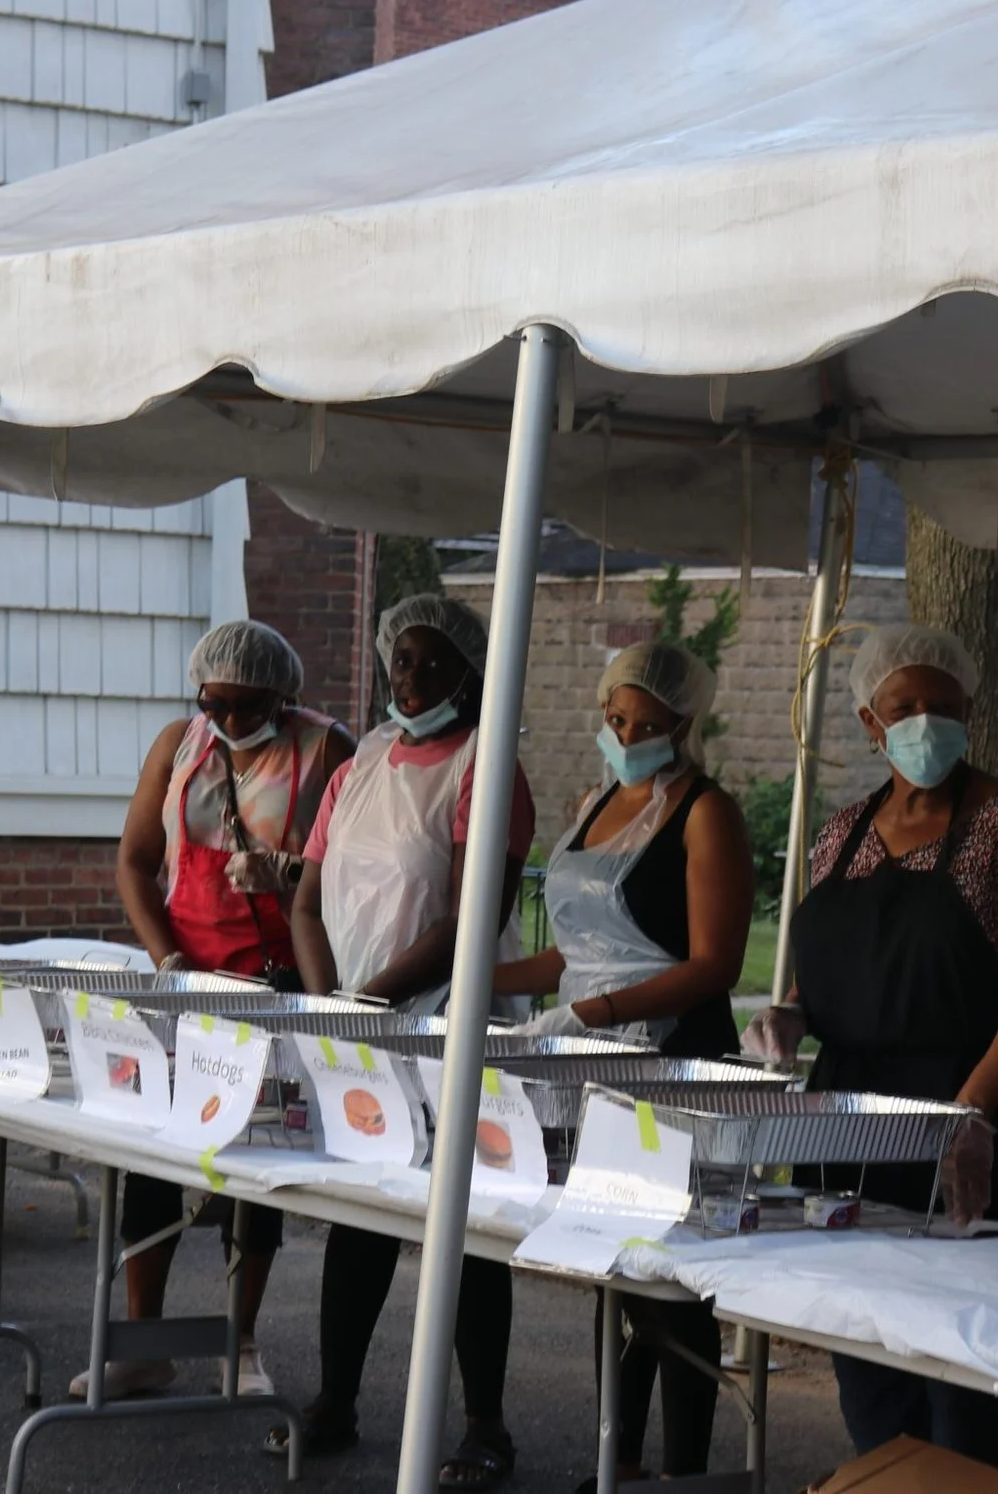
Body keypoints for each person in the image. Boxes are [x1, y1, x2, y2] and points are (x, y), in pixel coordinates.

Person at [740, 623, 998, 1465]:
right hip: (850, 1123)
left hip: (965, 1117)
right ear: (869, 721)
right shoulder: (840, 835)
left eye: (944, 706)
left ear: (970, 713)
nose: (927, 721)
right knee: (868, 1349)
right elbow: (831, 977)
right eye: (905, 706)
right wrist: (791, 1016)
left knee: (960, 1363)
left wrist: (971, 1115)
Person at [273, 594, 534, 1489]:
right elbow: (306, 899)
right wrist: (329, 1007)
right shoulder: (363, 762)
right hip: (355, 1024)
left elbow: (469, 919)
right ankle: (335, 1400)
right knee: (359, 1216)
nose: (409, 675)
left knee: (464, 1229)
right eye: (401, 659)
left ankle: (486, 1425)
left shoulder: (485, 767)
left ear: (469, 670)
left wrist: (369, 1002)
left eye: (430, 661)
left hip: (444, 1024)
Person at [75, 621, 354, 1402]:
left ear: (283, 694)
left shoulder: (325, 751)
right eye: (214, 702)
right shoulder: (179, 745)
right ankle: (142, 1343)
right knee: (153, 1156)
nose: (229, 720)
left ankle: (240, 1338)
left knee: (251, 1164)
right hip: (182, 977)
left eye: (247, 705)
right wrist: (165, 957)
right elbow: (135, 861)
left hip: (272, 983)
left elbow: (357, 871)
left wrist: (289, 871)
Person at [494, 641, 751, 1487]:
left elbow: (715, 963)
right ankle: (621, 1457)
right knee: (616, 1270)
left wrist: (597, 1010)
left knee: (669, 1282)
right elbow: (575, 953)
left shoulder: (707, 813)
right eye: (616, 717)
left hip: (671, 1058)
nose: (629, 732)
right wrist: (485, 982)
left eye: (647, 721)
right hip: (590, 1062)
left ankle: (680, 1470)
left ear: (683, 722)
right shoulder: (593, 800)